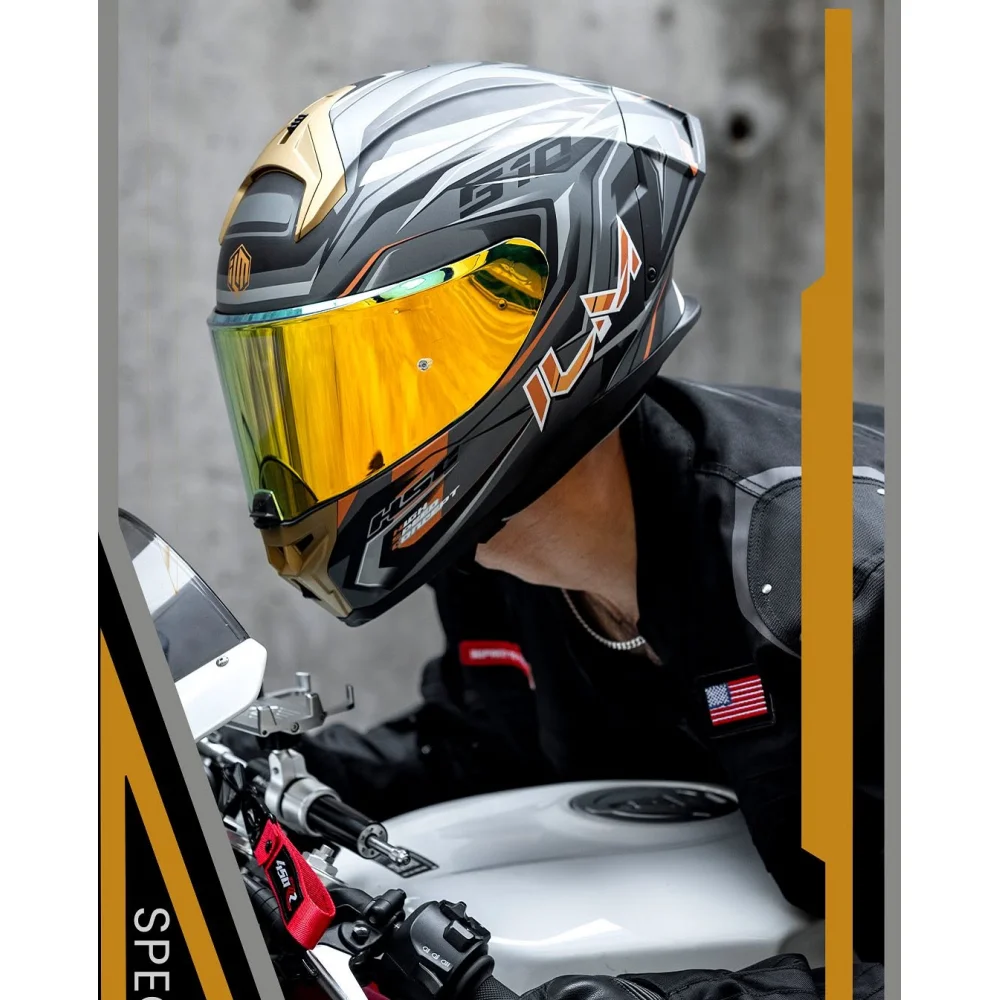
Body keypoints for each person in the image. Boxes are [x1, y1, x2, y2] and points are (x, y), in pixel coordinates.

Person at [209, 64, 884, 999]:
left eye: (386, 381)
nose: (347, 448)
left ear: (553, 322)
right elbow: (482, 747)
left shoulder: (842, 579)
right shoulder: (493, 547)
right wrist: (249, 772)